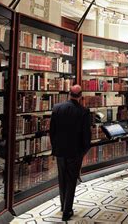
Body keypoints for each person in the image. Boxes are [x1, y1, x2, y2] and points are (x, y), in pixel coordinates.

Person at [50, 84, 91, 221]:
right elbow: (87, 136)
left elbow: (52, 132)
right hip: (75, 151)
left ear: (69, 94)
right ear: (80, 96)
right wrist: (83, 151)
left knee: (62, 179)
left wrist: (55, 147)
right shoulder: (84, 112)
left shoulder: (57, 108)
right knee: (71, 179)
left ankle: (63, 206)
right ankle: (67, 211)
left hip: (60, 151)